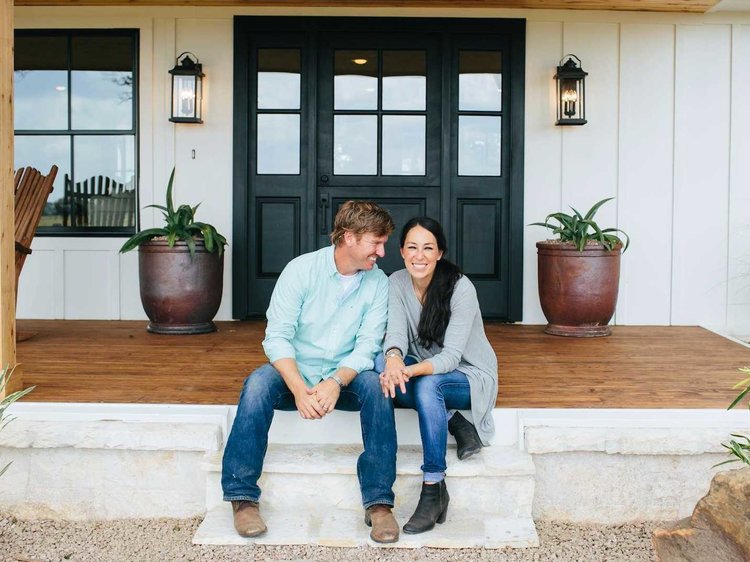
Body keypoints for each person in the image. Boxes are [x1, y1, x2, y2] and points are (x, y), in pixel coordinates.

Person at [222, 201, 400, 543]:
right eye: (376, 242)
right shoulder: (301, 271)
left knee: (377, 389)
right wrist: (300, 390)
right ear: (349, 237)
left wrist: (335, 382)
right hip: (296, 375)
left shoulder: (378, 282)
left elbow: (367, 345)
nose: (382, 251)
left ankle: (379, 505)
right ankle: (242, 498)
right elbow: (277, 337)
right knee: (258, 384)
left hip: (344, 378)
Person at [379, 216, 498, 535]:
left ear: (440, 253)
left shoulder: (460, 288)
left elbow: (450, 359)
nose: (420, 255)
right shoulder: (396, 282)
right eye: (412, 247)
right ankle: (453, 420)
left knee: (426, 383)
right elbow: (396, 335)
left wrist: (407, 368)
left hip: (469, 377)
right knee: (381, 368)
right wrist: (392, 358)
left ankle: (433, 485)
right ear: (402, 251)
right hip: (427, 374)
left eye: (428, 248)